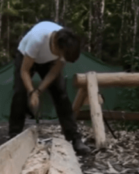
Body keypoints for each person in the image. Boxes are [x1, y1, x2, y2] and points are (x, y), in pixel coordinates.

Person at [9, 21, 91, 156]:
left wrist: (39, 91)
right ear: (55, 45)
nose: (61, 58)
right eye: (60, 55)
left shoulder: (66, 45)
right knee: (20, 92)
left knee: (61, 94)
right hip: (26, 57)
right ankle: (14, 135)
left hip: (47, 62)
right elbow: (24, 71)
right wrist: (31, 92)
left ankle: (74, 138)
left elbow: (53, 73)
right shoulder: (37, 39)